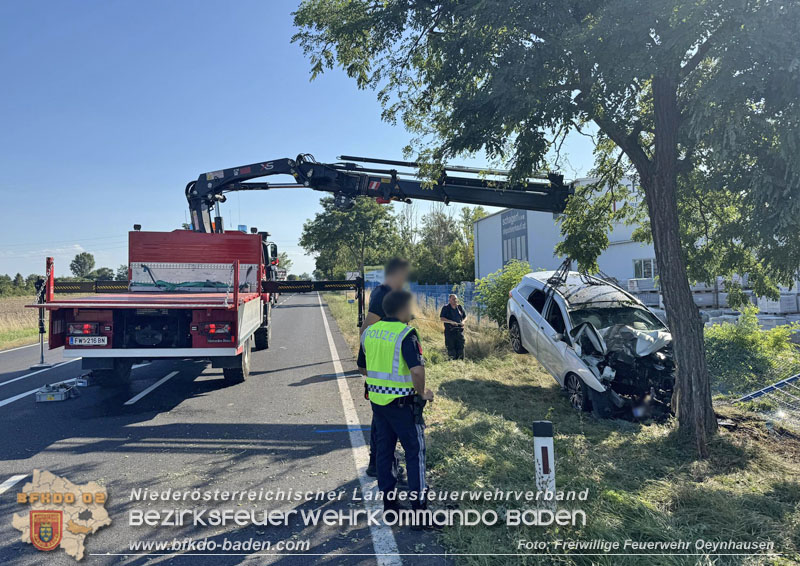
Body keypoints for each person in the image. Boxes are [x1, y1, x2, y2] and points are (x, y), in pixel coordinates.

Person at [358, 290, 433, 517]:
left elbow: (362, 367)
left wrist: (379, 381)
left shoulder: (369, 333)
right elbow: (417, 371)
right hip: (404, 405)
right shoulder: (406, 334)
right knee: (415, 452)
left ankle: (390, 506)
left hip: (379, 404)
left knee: (385, 453)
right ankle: (420, 511)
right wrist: (423, 393)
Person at [361, 258, 410, 477]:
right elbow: (368, 326)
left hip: (392, 366)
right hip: (385, 365)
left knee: (384, 417)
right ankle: (379, 463)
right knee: (383, 419)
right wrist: (367, 359)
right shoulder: (383, 294)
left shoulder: (394, 293)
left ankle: (383, 463)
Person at [440, 293, 466, 359]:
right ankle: (452, 362)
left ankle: (460, 362)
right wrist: (451, 322)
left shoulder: (460, 307)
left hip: (459, 332)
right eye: (453, 299)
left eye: (456, 299)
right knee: (451, 348)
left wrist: (463, 321)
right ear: (449, 300)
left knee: (461, 347)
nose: (455, 300)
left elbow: (465, 317)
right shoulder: (445, 308)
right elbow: (442, 318)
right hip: (450, 332)